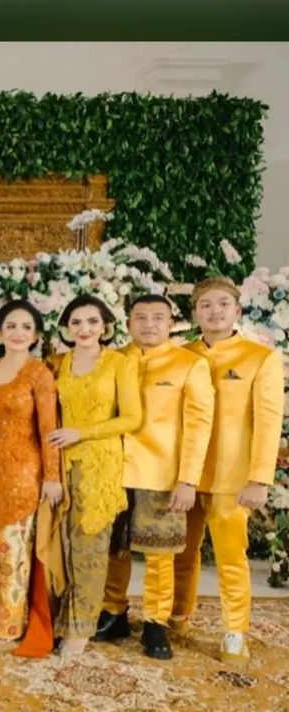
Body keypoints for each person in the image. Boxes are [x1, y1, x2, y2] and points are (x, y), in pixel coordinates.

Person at [171, 277, 284, 665]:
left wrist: (259, 479)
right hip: (185, 475)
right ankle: (178, 615)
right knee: (181, 552)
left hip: (232, 478)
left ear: (237, 310)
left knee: (231, 557)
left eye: (223, 304)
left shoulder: (260, 358)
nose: (215, 311)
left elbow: (268, 423)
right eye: (205, 305)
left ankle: (235, 631)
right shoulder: (181, 355)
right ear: (194, 313)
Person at [100, 294, 214, 661]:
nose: (149, 324)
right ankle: (113, 611)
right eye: (140, 317)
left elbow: (199, 426)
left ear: (171, 324)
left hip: (163, 475)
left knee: (160, 554)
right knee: (113, 547)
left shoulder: (189, 364)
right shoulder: (111, 359)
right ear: (127, 323)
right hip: (112, 470)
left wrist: (188, 480)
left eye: (157, 317)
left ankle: (155, 621)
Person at [45, 295, 142, 658]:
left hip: (100, 463)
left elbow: (132, 418)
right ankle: (60, 620)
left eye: (92, 322)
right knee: (63, 545)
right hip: (61, 462)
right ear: (66, 328)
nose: (84, 329)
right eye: (76, 322)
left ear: (105, 326)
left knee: (90, 547)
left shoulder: (118, 362)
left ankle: (81, 629)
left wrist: (81, 432)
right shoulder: (57, 363)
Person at [0, 299, 63, 643]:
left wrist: (52, 476)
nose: (18, 333)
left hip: (25, 471)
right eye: (11, 326)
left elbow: (49, 429)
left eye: (26, 327)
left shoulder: (38, 373)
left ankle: (10, 624)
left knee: (14, 546)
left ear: (36, 335)